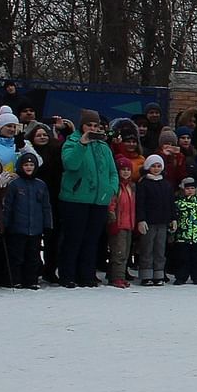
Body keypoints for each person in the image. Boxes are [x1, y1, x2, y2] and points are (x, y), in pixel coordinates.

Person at [56, 111, 117, 287]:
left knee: (92, 240)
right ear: (82, 126)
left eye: (95, 126)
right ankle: (68, 275)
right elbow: (70, 164)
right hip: (75, 199)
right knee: (73, 239)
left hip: (99, 201)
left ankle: (87, 275)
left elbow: (113, 172)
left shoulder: (104, 147)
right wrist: (82, 144)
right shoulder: (72, 142)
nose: (92, 128)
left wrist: (110, 189)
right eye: (89, 125)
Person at [4, 150, 53, 289]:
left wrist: (47, 224)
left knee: (33, 256)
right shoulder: (15, 184)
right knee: (17, 256)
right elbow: (8, 206)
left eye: (31, 165)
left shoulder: (41, 185)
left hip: (35, 228)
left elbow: (46, 206)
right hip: (18, 227)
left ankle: (31, 280)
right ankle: (16, 279)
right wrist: (5, 223)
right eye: (26, 165)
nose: (29, 168)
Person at [133, 155, 174, 286]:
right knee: (147, 248)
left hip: (162, 222)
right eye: (153, 166)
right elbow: (140, 203)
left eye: (158, 166)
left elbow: (170, 203)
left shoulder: (166, 184)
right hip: (149, 222)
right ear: (147, 167)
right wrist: (141, 219)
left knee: (160, 249)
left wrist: (173, 218)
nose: (156, 169)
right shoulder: (144, 183)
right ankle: (146, 274)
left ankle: (159, 273)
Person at [171, 178, 197, 284]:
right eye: (187, 188)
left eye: (192, 188)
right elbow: (173, 217)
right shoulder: (178, 203)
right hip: (182, 236)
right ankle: (181, 276)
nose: (190, 190)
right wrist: (172, 230)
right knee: (182, 258)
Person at [105, 158, 136, 287]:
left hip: (129, 223)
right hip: (118, 223)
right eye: (123, 169)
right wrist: (112, 217)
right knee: (118, 252)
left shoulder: (131, 186)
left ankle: (120, 275)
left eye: (128, 170)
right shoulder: (116, 186)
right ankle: (116, 277)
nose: (126, 172)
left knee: (126, 253)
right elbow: (111, 203)